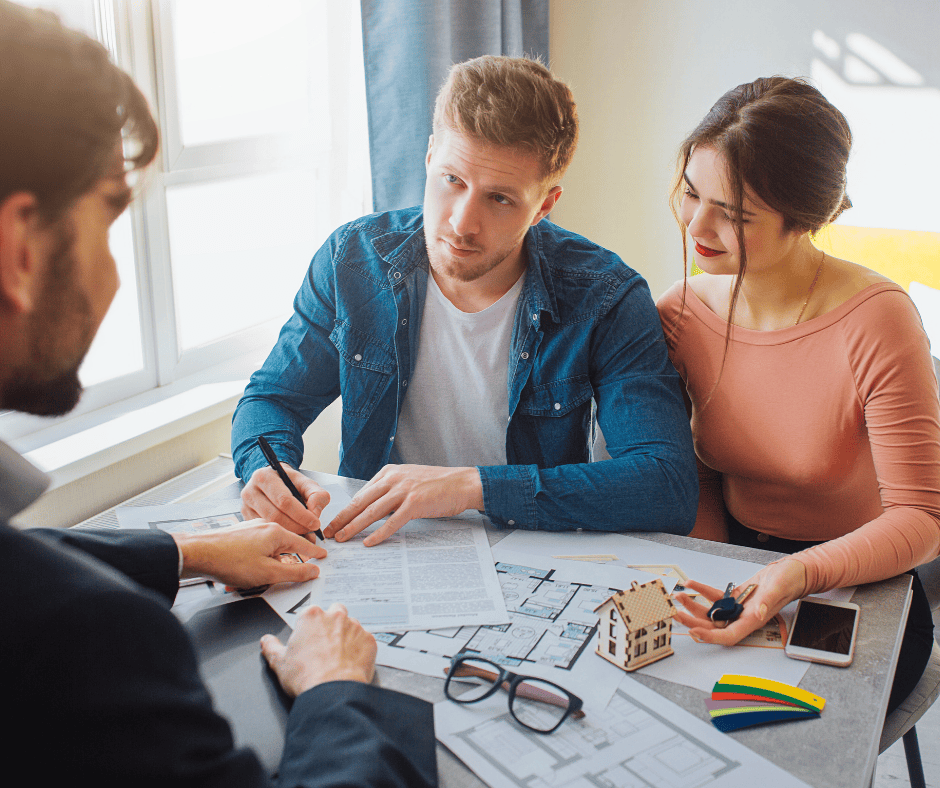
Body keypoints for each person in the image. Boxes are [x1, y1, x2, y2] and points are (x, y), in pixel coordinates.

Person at [0, 3, 436, 785]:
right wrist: (336, 691)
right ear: (17, 251)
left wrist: (188, 552)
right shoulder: (94, 640)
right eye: (109, 221)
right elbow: (270, 398)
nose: (115, 276)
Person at [232, 55, 697, 546]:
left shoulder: (605, 295)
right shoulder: (352, 260)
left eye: (500, 199)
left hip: (530, 550)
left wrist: (472, 488)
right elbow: (272, 399)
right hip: (380, 546)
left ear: (544, 205)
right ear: (430, 156)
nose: (461, 223)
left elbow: (667, 484)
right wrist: (266, 470)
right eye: (452, 180)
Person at [656, 76, 940, 713]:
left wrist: (797, 574)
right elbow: (696, 473)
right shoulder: (680, 315)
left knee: (777, 731)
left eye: (734, 215)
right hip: (736, 562)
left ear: (805, 218)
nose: (697, 225)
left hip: (863, 581)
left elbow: (924, 519)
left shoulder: (878, 319)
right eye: (692, 193)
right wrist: (716, 567)